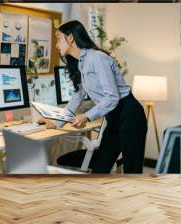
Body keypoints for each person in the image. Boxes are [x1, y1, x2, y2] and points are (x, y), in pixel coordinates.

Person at [39, 20, 147, 173]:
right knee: (100, 168)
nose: (56, 44)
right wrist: (56, 122)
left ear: (70, 38)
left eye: (58, 38)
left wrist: (86, 117)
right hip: (113, 117)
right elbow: (78, 96)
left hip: (129, 114)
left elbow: (112, 97)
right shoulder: (81, 62)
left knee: (132, 172)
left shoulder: (97, 58)